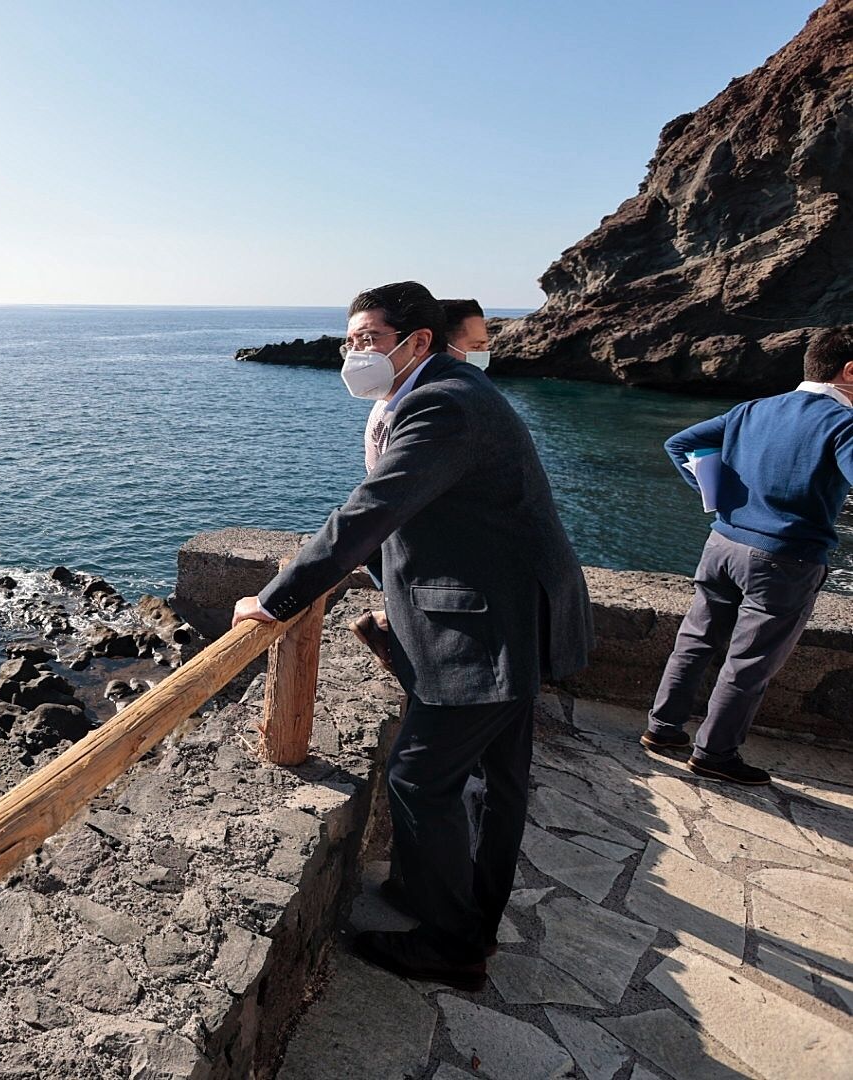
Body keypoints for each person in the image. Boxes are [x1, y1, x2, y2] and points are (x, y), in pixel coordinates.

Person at [232, 281, 593, 990]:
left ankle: (453, 946)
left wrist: (278, 600)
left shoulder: (442, 403)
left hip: (486, 629)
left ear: (416, 341)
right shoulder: (446, 390)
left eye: (367, 338)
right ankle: (461, 908)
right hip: (510, 613)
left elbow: (371, 510)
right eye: (350, 339)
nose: (353, 352)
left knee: (420, 779)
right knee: (497, 784)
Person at [642, 326, 853, 784]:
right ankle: (714, 754)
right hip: (785, 558)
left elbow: (678, 444)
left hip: (722, 544)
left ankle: (662, 729)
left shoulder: (752, 409)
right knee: (750, 662)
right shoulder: (844, 424)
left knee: (696, 640)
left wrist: (716, 498)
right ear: (849, 370)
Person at [350, 297, 493, 666]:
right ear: (433, 344)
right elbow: (382, 502)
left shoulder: (408, 399)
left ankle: (389, 624)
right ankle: (394, 631)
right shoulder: (425, 405)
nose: (485, 354)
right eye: (476, 347)